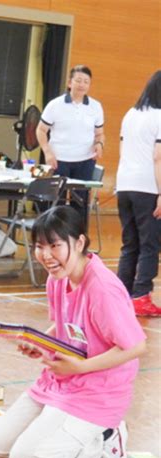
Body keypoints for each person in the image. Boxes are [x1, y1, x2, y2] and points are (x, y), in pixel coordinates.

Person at [0, 206, 146, 458]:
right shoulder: (57, 278)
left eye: (55, 245)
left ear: (80, 242)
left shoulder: (102, 289)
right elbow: (66, 324)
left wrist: (80, 368)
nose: (46, 256)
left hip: (98, 390)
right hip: (61, 381)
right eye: (39, 246)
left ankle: (106, 436)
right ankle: (67, 428)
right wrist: (41, 341)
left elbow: (136, 346)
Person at [116, 70, 161, 317]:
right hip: (148, 187)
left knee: (129, 243)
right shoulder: (160, 117)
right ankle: (142, 295)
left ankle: (121, 294)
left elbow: (123, 149)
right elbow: (158, 157)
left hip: (125, 185)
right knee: (150, 245)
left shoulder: (130, 114)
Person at [36, 65, 104, 226]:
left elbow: (100, 133)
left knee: (80, 204)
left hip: (85, 161)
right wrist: (47, 152)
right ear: (69, 82)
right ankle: (55, 236)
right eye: (78, 80)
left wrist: (99, 144)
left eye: (86, 82)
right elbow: (40, 129)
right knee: (56, 204)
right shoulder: (55, 105)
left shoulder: (96, 107)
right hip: (58, 160)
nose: (82, 85)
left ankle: (77, 238)